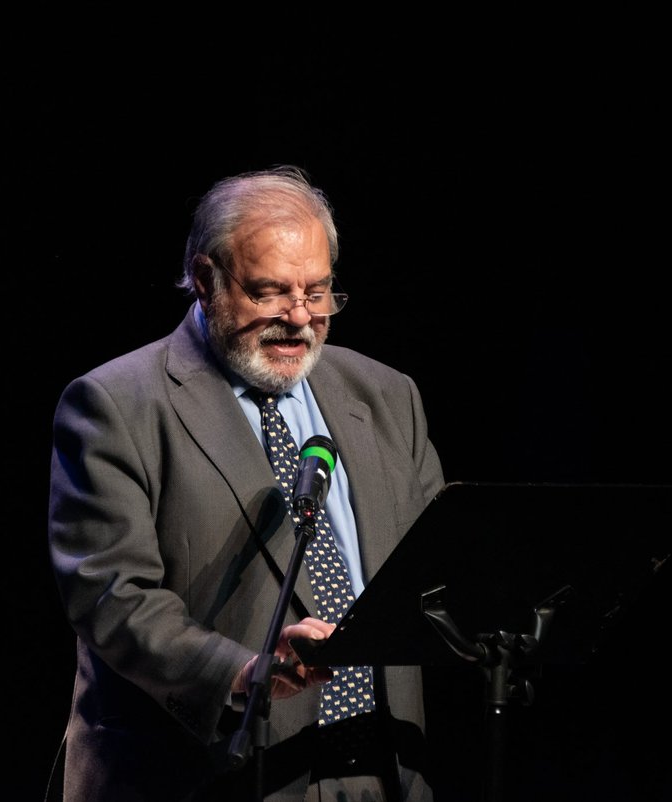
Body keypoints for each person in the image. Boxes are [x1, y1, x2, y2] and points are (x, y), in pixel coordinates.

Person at [47, 165, 446, 801]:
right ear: (206, 280)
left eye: (318, 293)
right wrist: (244, 671)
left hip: (381, 770)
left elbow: (435, 565)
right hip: (209, 773)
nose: (299, 318)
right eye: (270, 292)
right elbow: (110, 596)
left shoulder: (388, 396)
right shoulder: (116, 405)